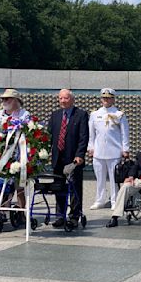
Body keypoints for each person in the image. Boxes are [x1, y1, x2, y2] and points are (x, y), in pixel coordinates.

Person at [47, 89, 89, 228]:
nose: (62, 101)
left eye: (65, 98)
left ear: (72, 99)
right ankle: (60, 216)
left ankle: (74, 216)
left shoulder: (81, 115)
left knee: (75, 187)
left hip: (73, 158)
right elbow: (49, 136)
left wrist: (80, 155)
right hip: (58, 158)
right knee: (59, 187)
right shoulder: (55, 115)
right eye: (60, 99)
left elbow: (84, 137)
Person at [88, 88, 130, 210]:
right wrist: (91, 147)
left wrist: (125, 148)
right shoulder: (94, 114)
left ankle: (114, 200)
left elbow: (124, 133)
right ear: (101, 99)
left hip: (114, 150)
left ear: (113, 99)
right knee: (100, 178)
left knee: (113, 178)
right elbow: (92, 133)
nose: (106, 100)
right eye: (104, 98)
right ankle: (100, 200)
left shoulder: (119, 114)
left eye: (109, 98)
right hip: (99, 151)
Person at [0, 88, 30, 208]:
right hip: (1, 154)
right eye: (3, 99)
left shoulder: (24, 114)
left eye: (7, 99)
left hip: (18, 154)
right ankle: (1, 211)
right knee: (2, 184)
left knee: (20, 184)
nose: (4, 101)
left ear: (16, 100)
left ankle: (22, 212)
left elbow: (27, 133)